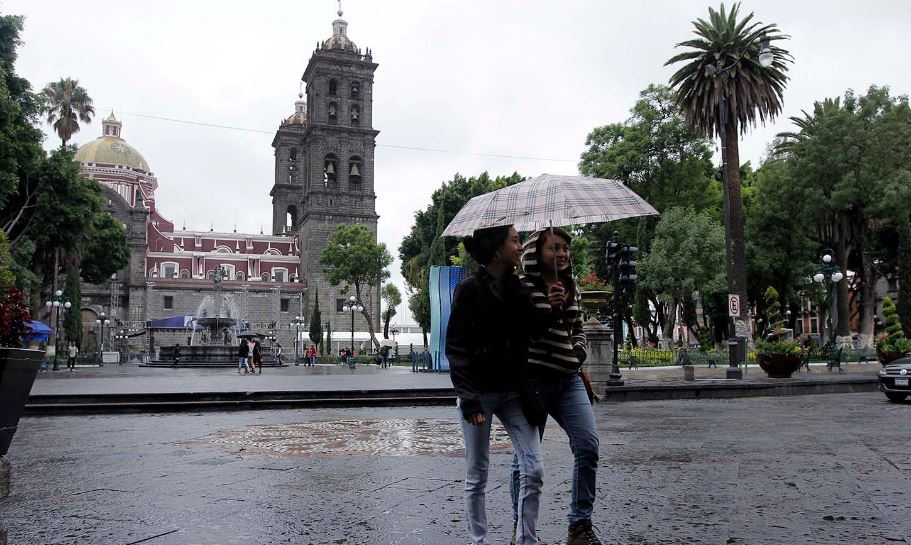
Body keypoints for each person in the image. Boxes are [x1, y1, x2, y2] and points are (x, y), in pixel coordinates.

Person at [447, 225, 562, 545]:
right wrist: (469, 400)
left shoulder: (518, 288)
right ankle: (478, 541)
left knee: (534, 468)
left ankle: (526, 539)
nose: (521, 245)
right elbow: (456, 347)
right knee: (477, 473)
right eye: (515, 240)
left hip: (515, 392)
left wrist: (553, 307)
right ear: (497, 250)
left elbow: (535, 331)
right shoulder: (470, 290)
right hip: (478, 394)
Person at [509, 227, 602, 545]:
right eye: (554, 248)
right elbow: (519, 334)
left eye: (565, 248)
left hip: (569, 380)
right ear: (536, 252)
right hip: (533, 381)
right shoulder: (521, 289)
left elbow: (578, 329)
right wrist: (549, 307)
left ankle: (579, 526)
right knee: (526, 459)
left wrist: (578, 349)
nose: (562, 254)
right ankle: (521, 527)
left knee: (588, 447)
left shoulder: (571, 287)